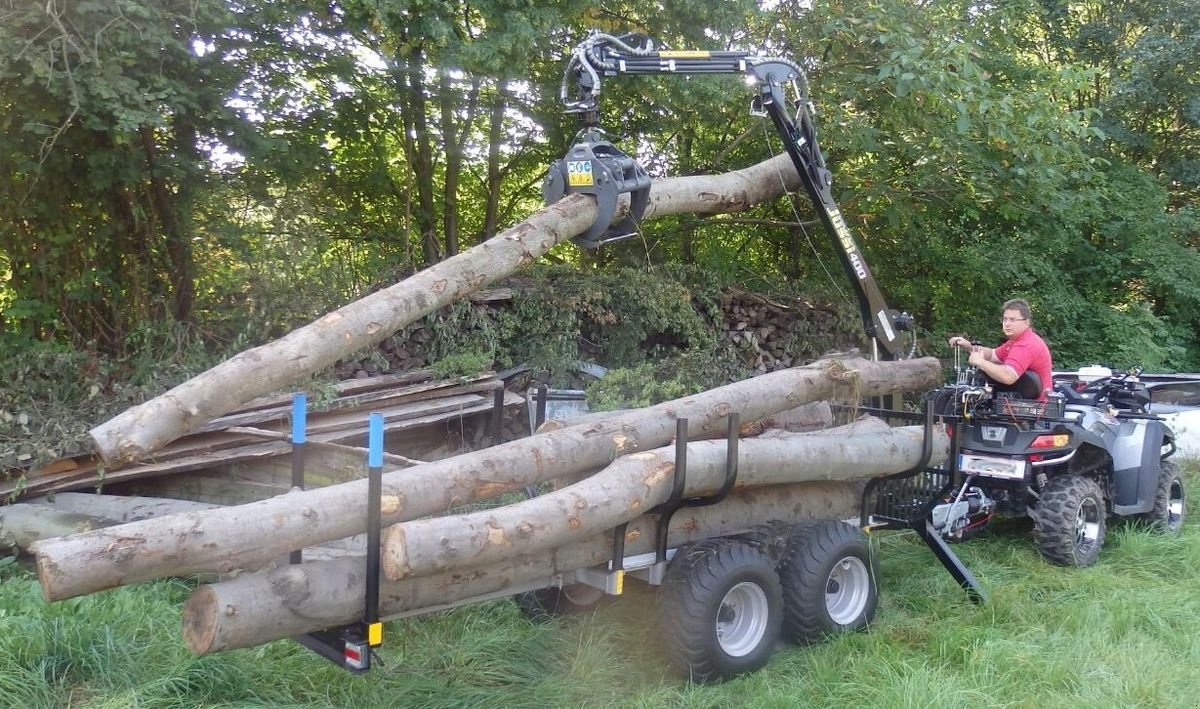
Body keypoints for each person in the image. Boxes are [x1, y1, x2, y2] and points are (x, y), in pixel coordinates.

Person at [948, 298, 1054, 400]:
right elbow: (992, 355)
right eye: (1005, 319)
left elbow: (1008, 376)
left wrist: (980, 362)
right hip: (1021, 404)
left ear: (1026, 322)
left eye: (1012, 320)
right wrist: (968, 346)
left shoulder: (1025, 345)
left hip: (1036, 410)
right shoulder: (1015, 342)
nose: (1007, 324)